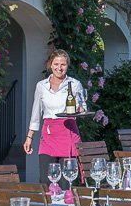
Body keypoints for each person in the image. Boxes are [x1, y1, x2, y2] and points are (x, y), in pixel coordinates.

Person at [24, 49, 86, 181]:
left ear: (67, 66)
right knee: (46, 180)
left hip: (68, 135)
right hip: (48, 137)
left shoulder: (75, 85)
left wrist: (81, 110)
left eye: (63, 64)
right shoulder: (41, 86)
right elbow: (36, 113)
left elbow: (83, 108)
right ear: (51, 65)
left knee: (66, 183)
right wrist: (30, 137)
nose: (59, 68)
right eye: (56, 64)